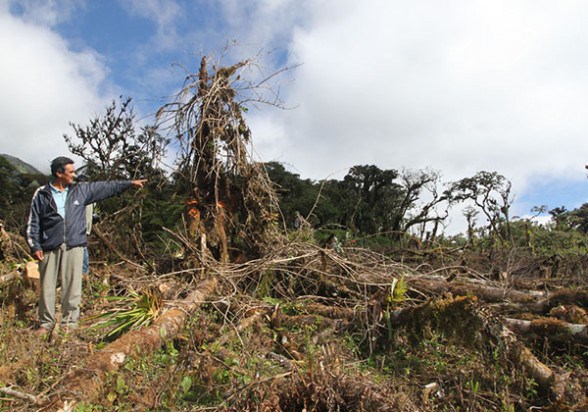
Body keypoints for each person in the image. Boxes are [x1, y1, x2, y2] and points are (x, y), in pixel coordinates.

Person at [25, 156, 146, 335]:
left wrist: (128, 183)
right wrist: (35, 246)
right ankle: (46, 323)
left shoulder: (81, 190)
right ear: (59, 173)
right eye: (71, 172)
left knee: (72, 286)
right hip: (49, 246)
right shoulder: (41, 193)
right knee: (47, 287)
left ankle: (69, 324)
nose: (74, 175)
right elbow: (33, 222)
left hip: (74, 245)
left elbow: (106, 187)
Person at [76, 174, 94, 275]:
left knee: (82, 249)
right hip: (86, 226)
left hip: (80, 226)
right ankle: (83, 270)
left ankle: (84, 271)